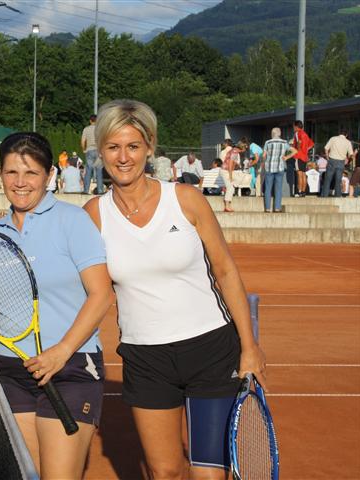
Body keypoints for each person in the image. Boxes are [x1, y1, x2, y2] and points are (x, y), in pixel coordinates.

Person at [83, 99, 266, 480]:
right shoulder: (94, 214)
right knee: (164, 471)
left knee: (209, 474)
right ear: (100, 150)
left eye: (133, 146)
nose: (123, 157)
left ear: (150, 146)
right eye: (113, 147)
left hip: (210, 348)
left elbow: (226, 271)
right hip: (145, 358)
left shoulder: (185, 199)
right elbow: (76, 282)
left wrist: (249, 347)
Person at [0, 132, 113, 479]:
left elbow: (102, 294)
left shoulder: (72, 221)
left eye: (31, 172)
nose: (20, 182)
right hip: (10, 371)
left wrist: (61, 352)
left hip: (69, 368)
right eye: (11, 172)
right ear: (1, 175)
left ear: (49, 176)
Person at [263, 127, 296, 213]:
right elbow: (294, 151)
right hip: (280, 167)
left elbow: (264, 155)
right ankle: (277, 208)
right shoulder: (284, 142)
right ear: (280, 134)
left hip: (269, 167)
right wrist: (286, 157)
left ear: (272, 134)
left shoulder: (268, 142)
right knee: (278, 188)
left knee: (268, 188)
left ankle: (267, 208)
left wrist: (264, 163)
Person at [321, 128, 354, 197]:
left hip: (332, 160)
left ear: (339, 133)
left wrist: (327, 157)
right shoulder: (348, 142)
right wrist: (347, 160)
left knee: (327, 179)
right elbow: (351, 155)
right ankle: (338, 196)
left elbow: (326, 148)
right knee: (338, 181)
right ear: (346, 135)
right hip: (341, 162)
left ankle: (324, 196)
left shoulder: (333, 138)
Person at [81, 114, 104, 194]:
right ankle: (100, 190)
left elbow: (83, 141)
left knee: (88, 171)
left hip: (89, 150)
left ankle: (86, 190)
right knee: (99, 171)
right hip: (98, 151)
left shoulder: (86, 129)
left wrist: (84, 150)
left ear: (90, 121)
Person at [291, 120, 314, 197]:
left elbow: (298, 143)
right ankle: (303, 192)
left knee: (299, 174)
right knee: (304, 174)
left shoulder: (297, 133)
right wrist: (305, 150)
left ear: (296, 127)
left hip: (298, 156)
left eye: (293, 126)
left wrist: (297, 149)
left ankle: (299, 191)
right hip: (304, 157)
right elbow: (311, 144)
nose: (293, 128)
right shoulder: (305, 134)